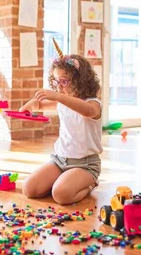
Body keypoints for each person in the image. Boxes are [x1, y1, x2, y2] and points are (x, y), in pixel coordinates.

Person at [21, 52, 102, 205]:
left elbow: (88, 111)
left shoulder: (93, 103)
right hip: (60, 160)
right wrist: (31, 105)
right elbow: (39, 105)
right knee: (29, 189)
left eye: (63, 81)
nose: (58, 86)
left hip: (85, 165)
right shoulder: (62, 102)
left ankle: (90, 184)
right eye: (57, 81)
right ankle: (64, 181)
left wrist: (57, 97)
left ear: (80, 81)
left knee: (61, 195)